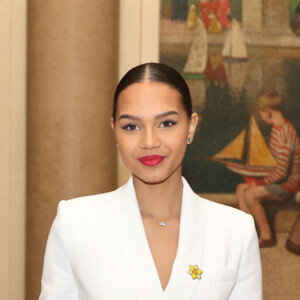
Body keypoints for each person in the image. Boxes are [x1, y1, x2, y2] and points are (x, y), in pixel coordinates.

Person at [39, 62, 262, 299]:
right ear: (115, 130)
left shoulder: (236, 230)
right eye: (131, 126)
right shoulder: (75, 224)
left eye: (166, 123)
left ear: (191, 127)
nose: (149, 142)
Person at [236, 90, 300, 248]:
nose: (262, 117)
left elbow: (282, 172)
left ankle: (267, 236)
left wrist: (258, 183)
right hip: (278, 181)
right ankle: (248, 234)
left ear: (269, 112)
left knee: (250, 195)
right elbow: (275, 163)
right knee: (240, 188)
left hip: (287, 185)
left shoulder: (284, 134)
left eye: (262, 114)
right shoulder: (277, 128)